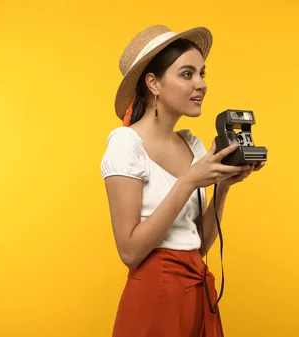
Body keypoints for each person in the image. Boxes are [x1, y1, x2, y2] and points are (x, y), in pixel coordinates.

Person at [100, 25, 265, 337]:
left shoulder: (192, 145)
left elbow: (197, 245)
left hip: (194, 291)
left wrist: (222, 187)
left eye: (203, 73)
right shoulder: (126, 144)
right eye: (187, 74)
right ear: (153, 83)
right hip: (154, 295)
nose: (201, 85)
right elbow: (130, 252)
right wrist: (189, 181)